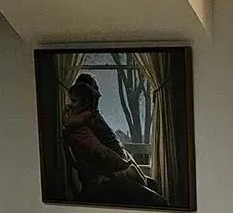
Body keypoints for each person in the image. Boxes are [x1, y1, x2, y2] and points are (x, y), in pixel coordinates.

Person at [62, 72, 165, 205]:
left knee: (153, 184)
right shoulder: (83, 125)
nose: (99, 95)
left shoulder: (91, 119)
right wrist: (123, 167)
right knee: (160, 202)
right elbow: (99, 155)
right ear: (85, 97)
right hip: (109, 179)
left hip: (118, 172)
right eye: (95, 90)